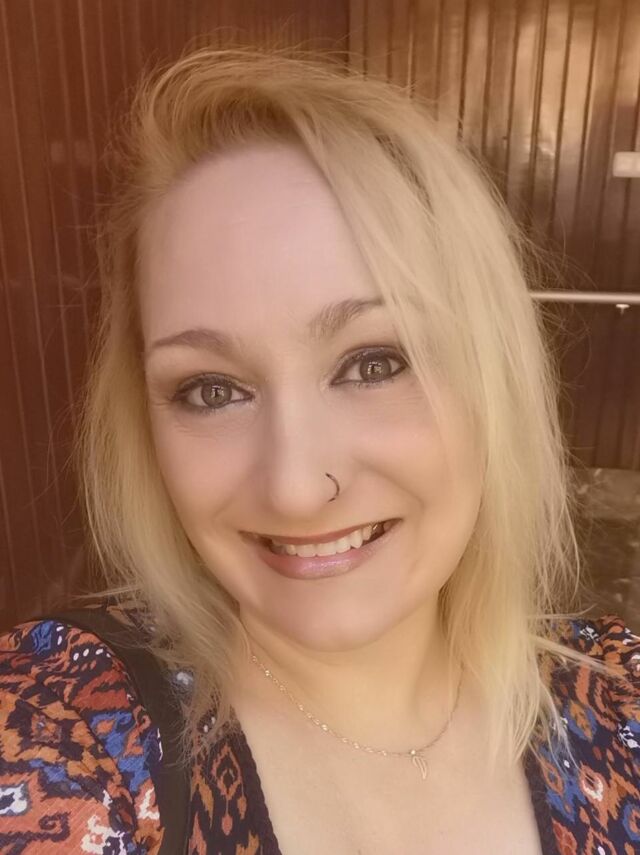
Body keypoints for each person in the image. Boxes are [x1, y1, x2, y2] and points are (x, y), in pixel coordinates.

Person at [0, 45, 638, 855]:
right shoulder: (67, 731)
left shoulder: (619, 703)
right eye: (211, 389)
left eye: (374, 363)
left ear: (494, 377)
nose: (297, 488)